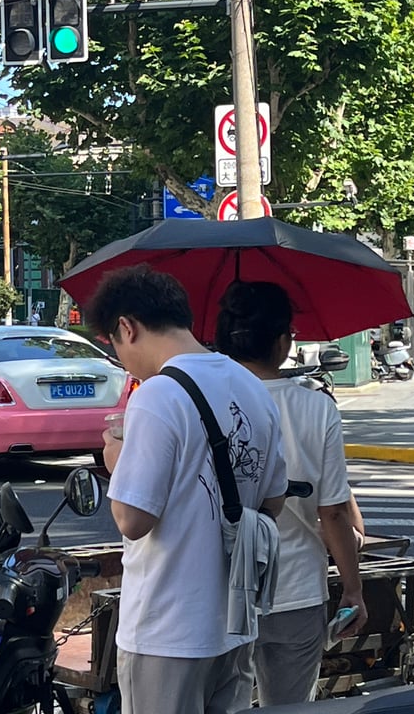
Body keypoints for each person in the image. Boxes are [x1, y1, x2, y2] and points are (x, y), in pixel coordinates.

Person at [88, 264, 288, 714]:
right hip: (235, 625)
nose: (123, 359)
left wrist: (116, 461)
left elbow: (132, 519)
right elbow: (272, 500)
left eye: (116, 345)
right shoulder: (251, 387)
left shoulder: (158, 394)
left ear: (127, 327)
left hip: (167, 628)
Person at [214, 280, 368, 707]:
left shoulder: (202, 402)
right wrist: (353, 590)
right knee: (290, 706)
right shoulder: (316, 407)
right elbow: (334, 512)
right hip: (296, 588)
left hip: (220, 590)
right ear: (283, 341)